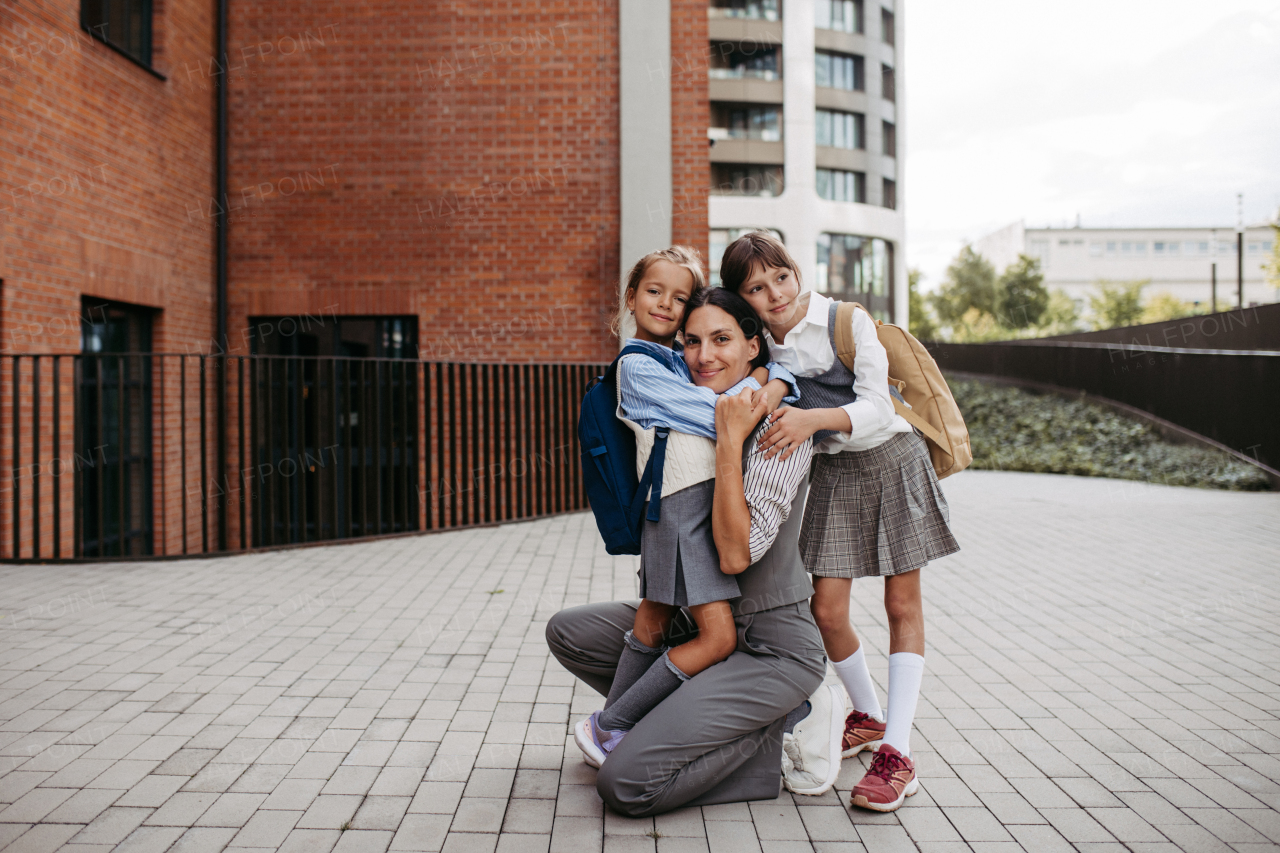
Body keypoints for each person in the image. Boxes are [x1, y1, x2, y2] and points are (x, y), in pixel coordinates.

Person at [548, 286, 845, 816]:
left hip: (770, 648)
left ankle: (778, 728)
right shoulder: (695, 402)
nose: (704, 356)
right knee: (568, 631)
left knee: (625, 785)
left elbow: (734, 557)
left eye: (722, 339)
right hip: (700, 630)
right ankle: (680, 717)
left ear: (754, 345)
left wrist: (732, 441)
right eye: (692, 342)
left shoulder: (783, 431)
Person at [718, 230, 960, 813]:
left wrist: (809, 420)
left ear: (796, 271)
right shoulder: (763, 348)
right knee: (825, 610)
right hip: (836, 475)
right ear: (740, 298)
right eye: (756, 287)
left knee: (901, 605)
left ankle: (897, 755)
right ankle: (869, 716)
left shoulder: (847, 321)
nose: (775, 293)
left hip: (893, 461)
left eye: (781, 276)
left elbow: (880, 407)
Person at [575, 247, 797, 766]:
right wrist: (765, 382)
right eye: (654, 291)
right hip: (679, 509)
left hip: (682, 504)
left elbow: (723, 401)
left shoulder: (676, 358)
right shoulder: (636, 365)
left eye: (680, 298)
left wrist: (768, 381)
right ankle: (612, 725)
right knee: (717, 637)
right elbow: (717, 416)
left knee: (652, 623)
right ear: (631, 296)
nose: (665, 305)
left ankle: (607, 731)